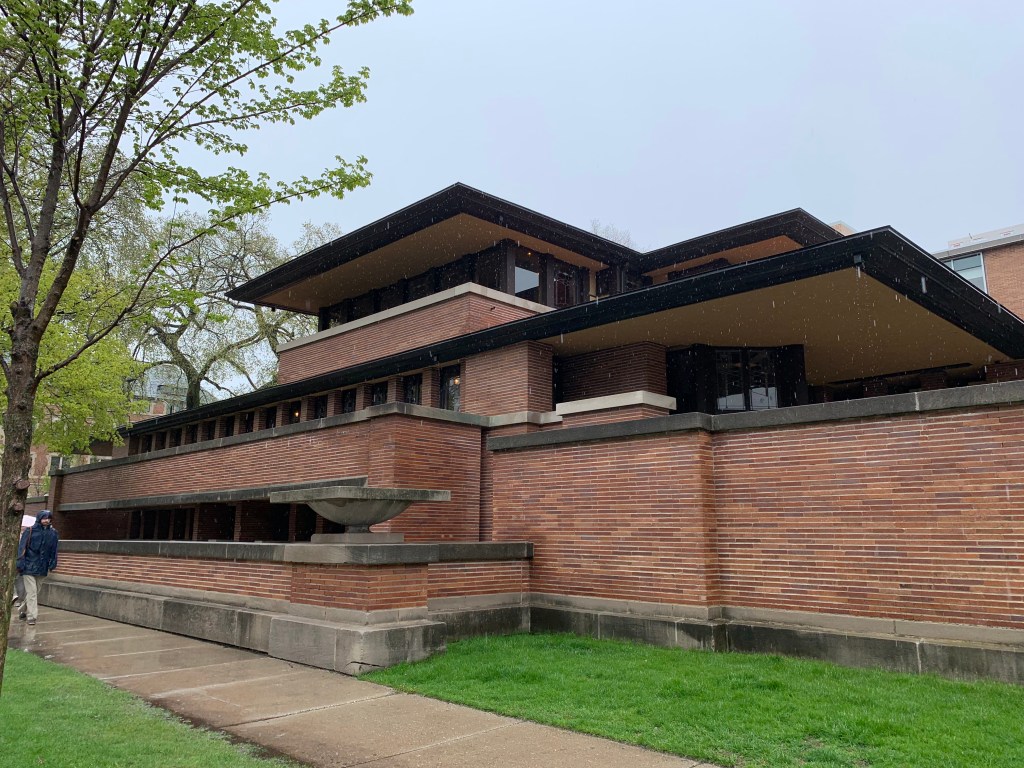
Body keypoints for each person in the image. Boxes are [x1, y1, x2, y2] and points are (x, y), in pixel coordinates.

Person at [16, 510, 59, 626]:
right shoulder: (30, 531)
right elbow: (21, 548)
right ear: (39, 518)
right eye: (44, 518)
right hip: (28, 566)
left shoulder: (53, 533)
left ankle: (22, 609)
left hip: (43, 567)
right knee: (32, 592)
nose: (46, 520)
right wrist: (20, 564)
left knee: (34, 592)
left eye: (48, 518)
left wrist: (53, 562)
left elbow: (54, 550)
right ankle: (32, 617)